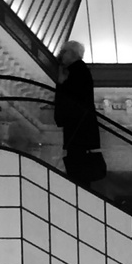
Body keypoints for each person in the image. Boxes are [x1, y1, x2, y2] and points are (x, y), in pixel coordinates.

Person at [53, 40, 103, 186]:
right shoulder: (81, 71)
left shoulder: (77, 71)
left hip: (78, 129)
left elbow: (70, 97)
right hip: (82, 130)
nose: (61, 55)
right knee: (80, 170)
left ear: (73, 54)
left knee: (77, 168)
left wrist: (61, 84)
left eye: (64, 52)